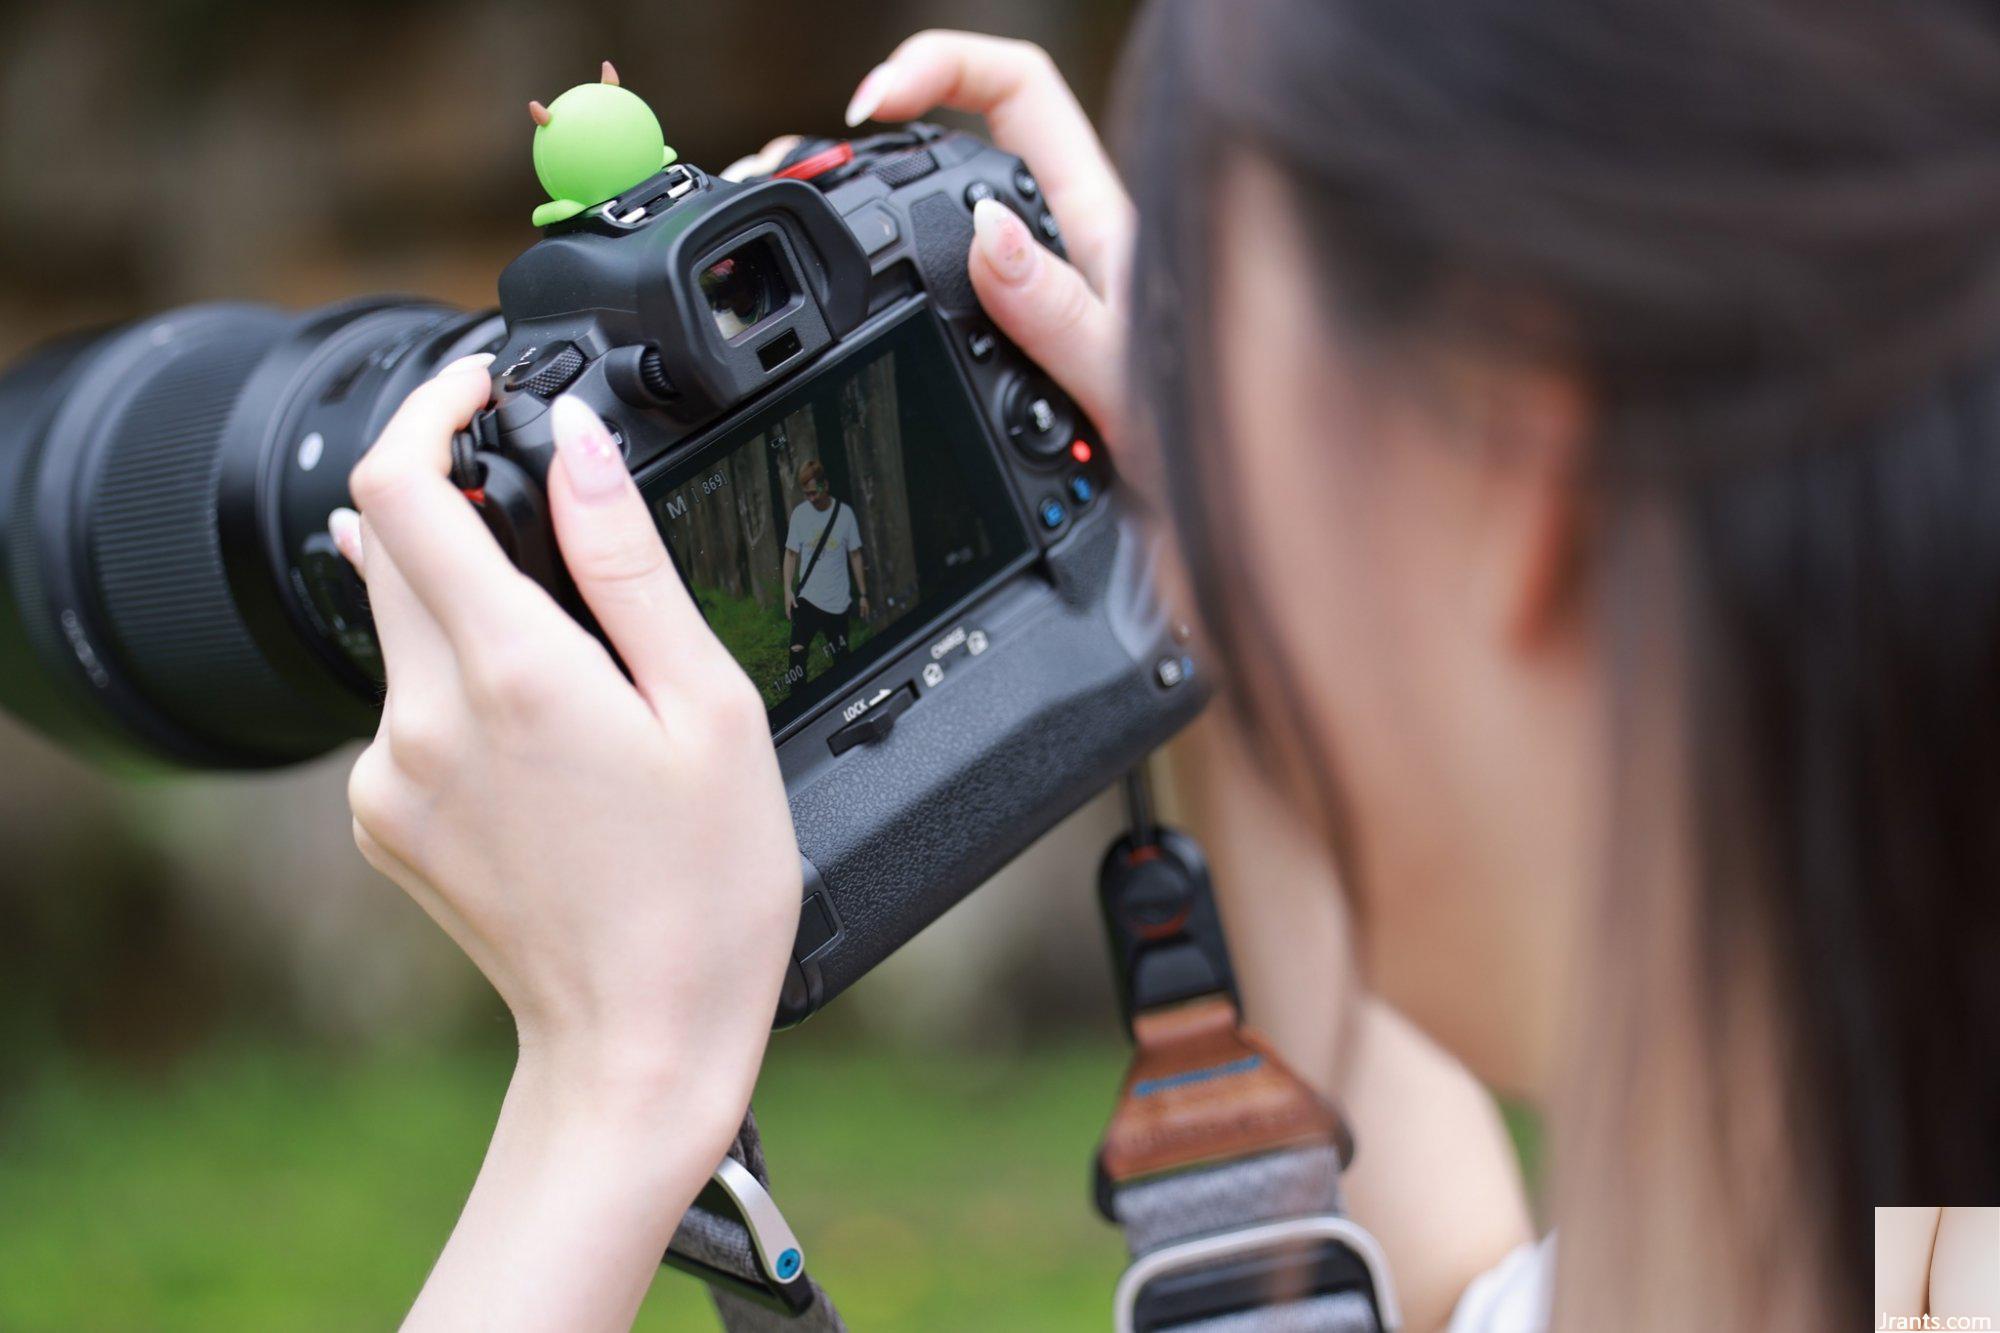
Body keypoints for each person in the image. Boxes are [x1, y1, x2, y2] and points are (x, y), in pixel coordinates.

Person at [324, 6, 2000, 1329]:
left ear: (1517, 484)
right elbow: (1449, 1298)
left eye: (1210, 404)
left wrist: (613, 1096)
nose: (1179, 543)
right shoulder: (1935, 1243)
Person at [780, 458, 869, 689]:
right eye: (806, 494)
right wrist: (788, 591)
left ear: (825, 485)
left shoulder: (845, 514)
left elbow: (856, 555)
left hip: (837, 600)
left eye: (814, 492)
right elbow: (790, 554)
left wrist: (863, 594)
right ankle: (798, 700)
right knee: (797, 651)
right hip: (808, 597)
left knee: (841, 655)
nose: (811, 498)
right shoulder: (800, 515)